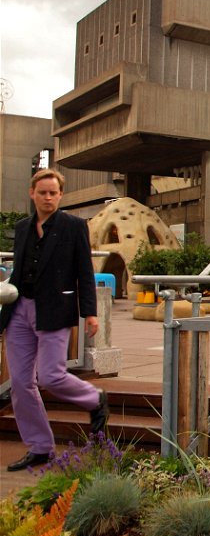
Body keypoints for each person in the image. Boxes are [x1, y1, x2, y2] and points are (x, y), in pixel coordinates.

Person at [0, 169, 109, 472]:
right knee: (21, 383)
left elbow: (84, 271)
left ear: (60, 196)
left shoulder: (74, 227)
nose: (48, 197)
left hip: (55, 309)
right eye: (43, 192)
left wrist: (90, 312)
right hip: (20, 308)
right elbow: (19, 272)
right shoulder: (22, 229)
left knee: (50, 376)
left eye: (53, 193)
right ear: (32, 193)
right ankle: (40, 447)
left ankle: (95, 398)